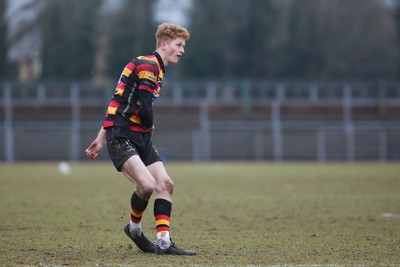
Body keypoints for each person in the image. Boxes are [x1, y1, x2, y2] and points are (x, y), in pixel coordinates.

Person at [85, 23, 196, 256]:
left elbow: (118, 101)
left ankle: (164, 242)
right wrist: (107, 136)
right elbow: (144, 109)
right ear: (163, 45)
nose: (182, 50)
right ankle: (134, 229)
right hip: (123, 135)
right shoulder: (148, 65)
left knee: (166, 184)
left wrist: (100, 136)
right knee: (146, 186)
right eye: (179, 45)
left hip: (139, 135)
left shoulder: (155, 67)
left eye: (183, 46)